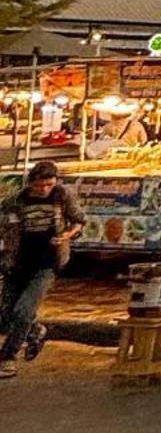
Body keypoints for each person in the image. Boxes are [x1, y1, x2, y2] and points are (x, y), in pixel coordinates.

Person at [1, 161, 85, 379]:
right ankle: (36, 331)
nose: (44, 189)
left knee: (23, 310)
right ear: (31, 183)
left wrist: (67, 235)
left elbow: (79, 221)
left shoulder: (62, 196)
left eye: (49, 184)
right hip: (16, 262)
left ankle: (8, 357)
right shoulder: (16, 201)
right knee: (6, 313)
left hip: (46, 264)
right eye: (39, 186)